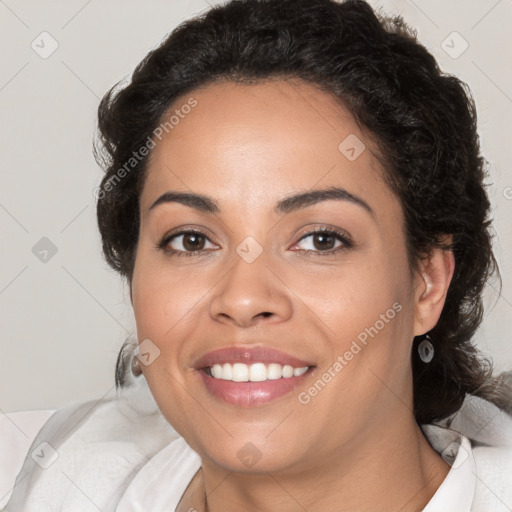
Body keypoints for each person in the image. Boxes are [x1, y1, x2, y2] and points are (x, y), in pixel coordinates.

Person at [4, 0, 512, 510]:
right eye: (192, 240)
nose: (244, 299)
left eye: (320, 239)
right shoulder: (36, 476)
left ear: (426, 282)